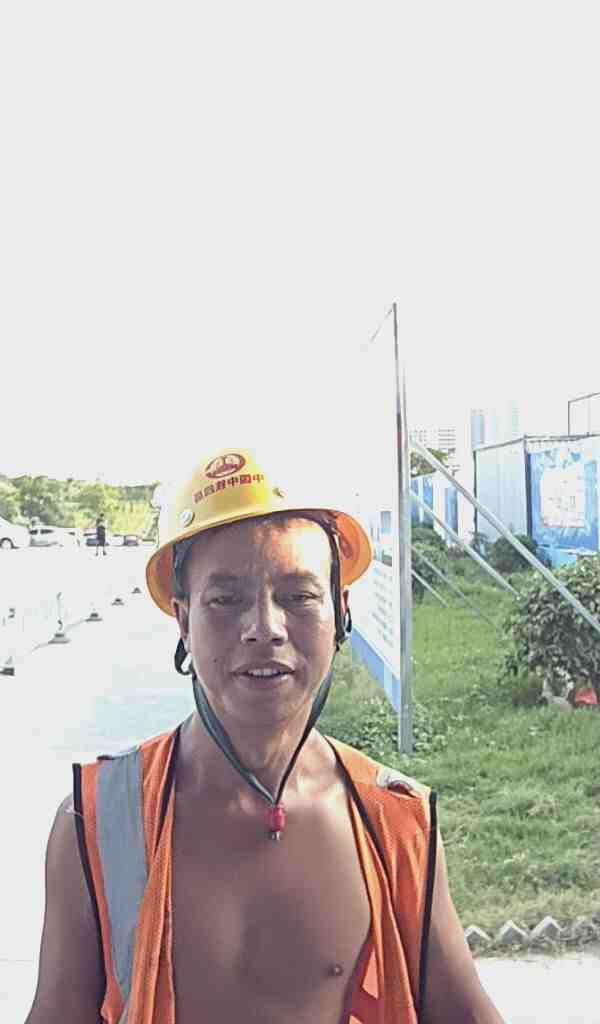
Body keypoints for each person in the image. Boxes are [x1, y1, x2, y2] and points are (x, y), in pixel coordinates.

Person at [26, 449, 504, 1024]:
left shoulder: (396, 825)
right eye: (225, 600)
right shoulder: (97, 819)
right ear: (183, 620)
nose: (264, 628)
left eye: (299, 596)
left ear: (340, 612)